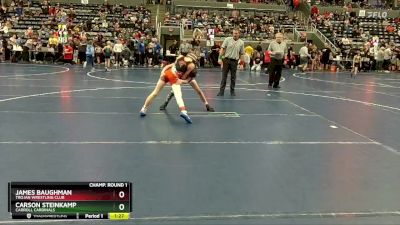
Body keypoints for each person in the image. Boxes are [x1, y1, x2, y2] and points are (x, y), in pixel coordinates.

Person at [139, 56, 196, 123]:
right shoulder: (188, 65)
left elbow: (186, 80)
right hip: (172, 76)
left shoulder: (189, 69)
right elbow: (184, 78)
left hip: (168, 74)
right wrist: (162, 72)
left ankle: (143, 109)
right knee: (178, 95)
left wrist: (163, 72)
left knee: (155, 93)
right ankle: (183, 111)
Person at [217, 29, 244, 96]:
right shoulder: (227, 39)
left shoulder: (241, 42)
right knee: (224, 76)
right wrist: (220, 58)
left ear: (239, 34)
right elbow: (222, 49)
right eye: (234, 33)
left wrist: (241, 64)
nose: (235, 34)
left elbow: (242, 54)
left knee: (233, 77)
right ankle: (221, 91)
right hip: (226, 60)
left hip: (234, 61)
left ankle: (232, 91)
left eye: (236, 33)